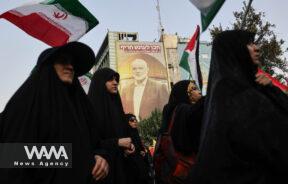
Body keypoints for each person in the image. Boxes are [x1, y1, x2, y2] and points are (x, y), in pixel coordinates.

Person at [0, 42, 109, 183]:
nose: (70, 67)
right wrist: (72, 157)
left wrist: (100, 156)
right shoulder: (24, 105)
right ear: (48, 67)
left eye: (72, 63)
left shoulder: (81, 107)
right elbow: (10, 156)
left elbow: (96, 142)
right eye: (63, 61)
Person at [188, 30, 288, 184]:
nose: (256, 48)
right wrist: (273, 92)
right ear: (234, 50)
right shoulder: (243, 99)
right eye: (248, 44)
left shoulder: (220, 98)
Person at [88, 68, 135, 184]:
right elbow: (91, 143)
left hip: (122, 169)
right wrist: (118, 142)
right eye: (110, 80)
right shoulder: (90, 110)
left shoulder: (117, 108)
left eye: (116, 79)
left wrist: (127, 148)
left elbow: (123, 135)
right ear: (100, 82)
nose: (115, 82)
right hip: (104, 172)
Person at [154, 80, 205, 184]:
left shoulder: (170, 110)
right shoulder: (183, 109)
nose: (199, 92)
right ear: (185, 94)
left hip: (172, 171)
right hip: (184, 168)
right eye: (194, 89)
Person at [125, 113, 153, 184]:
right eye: (132, 120)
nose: (135, 121)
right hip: (132, 170)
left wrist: (143, 152)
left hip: (142, 168)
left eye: (135, 120)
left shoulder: (136, 133)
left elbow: (140, 148)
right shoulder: (124, 138)